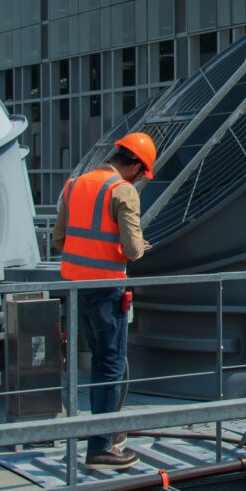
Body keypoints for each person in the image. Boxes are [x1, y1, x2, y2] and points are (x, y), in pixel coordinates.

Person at [51, 131, 157, 470]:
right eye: (143, 174)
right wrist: (138, 246)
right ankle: (101, 447)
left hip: (76, 286)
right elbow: (132, 250)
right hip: (108, 288)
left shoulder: (75, 184)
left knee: (98, 360)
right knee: (110, 364)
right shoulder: (121, 190)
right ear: (136, 166)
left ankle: (103, 438)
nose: (140, 181)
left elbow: (59, 239)